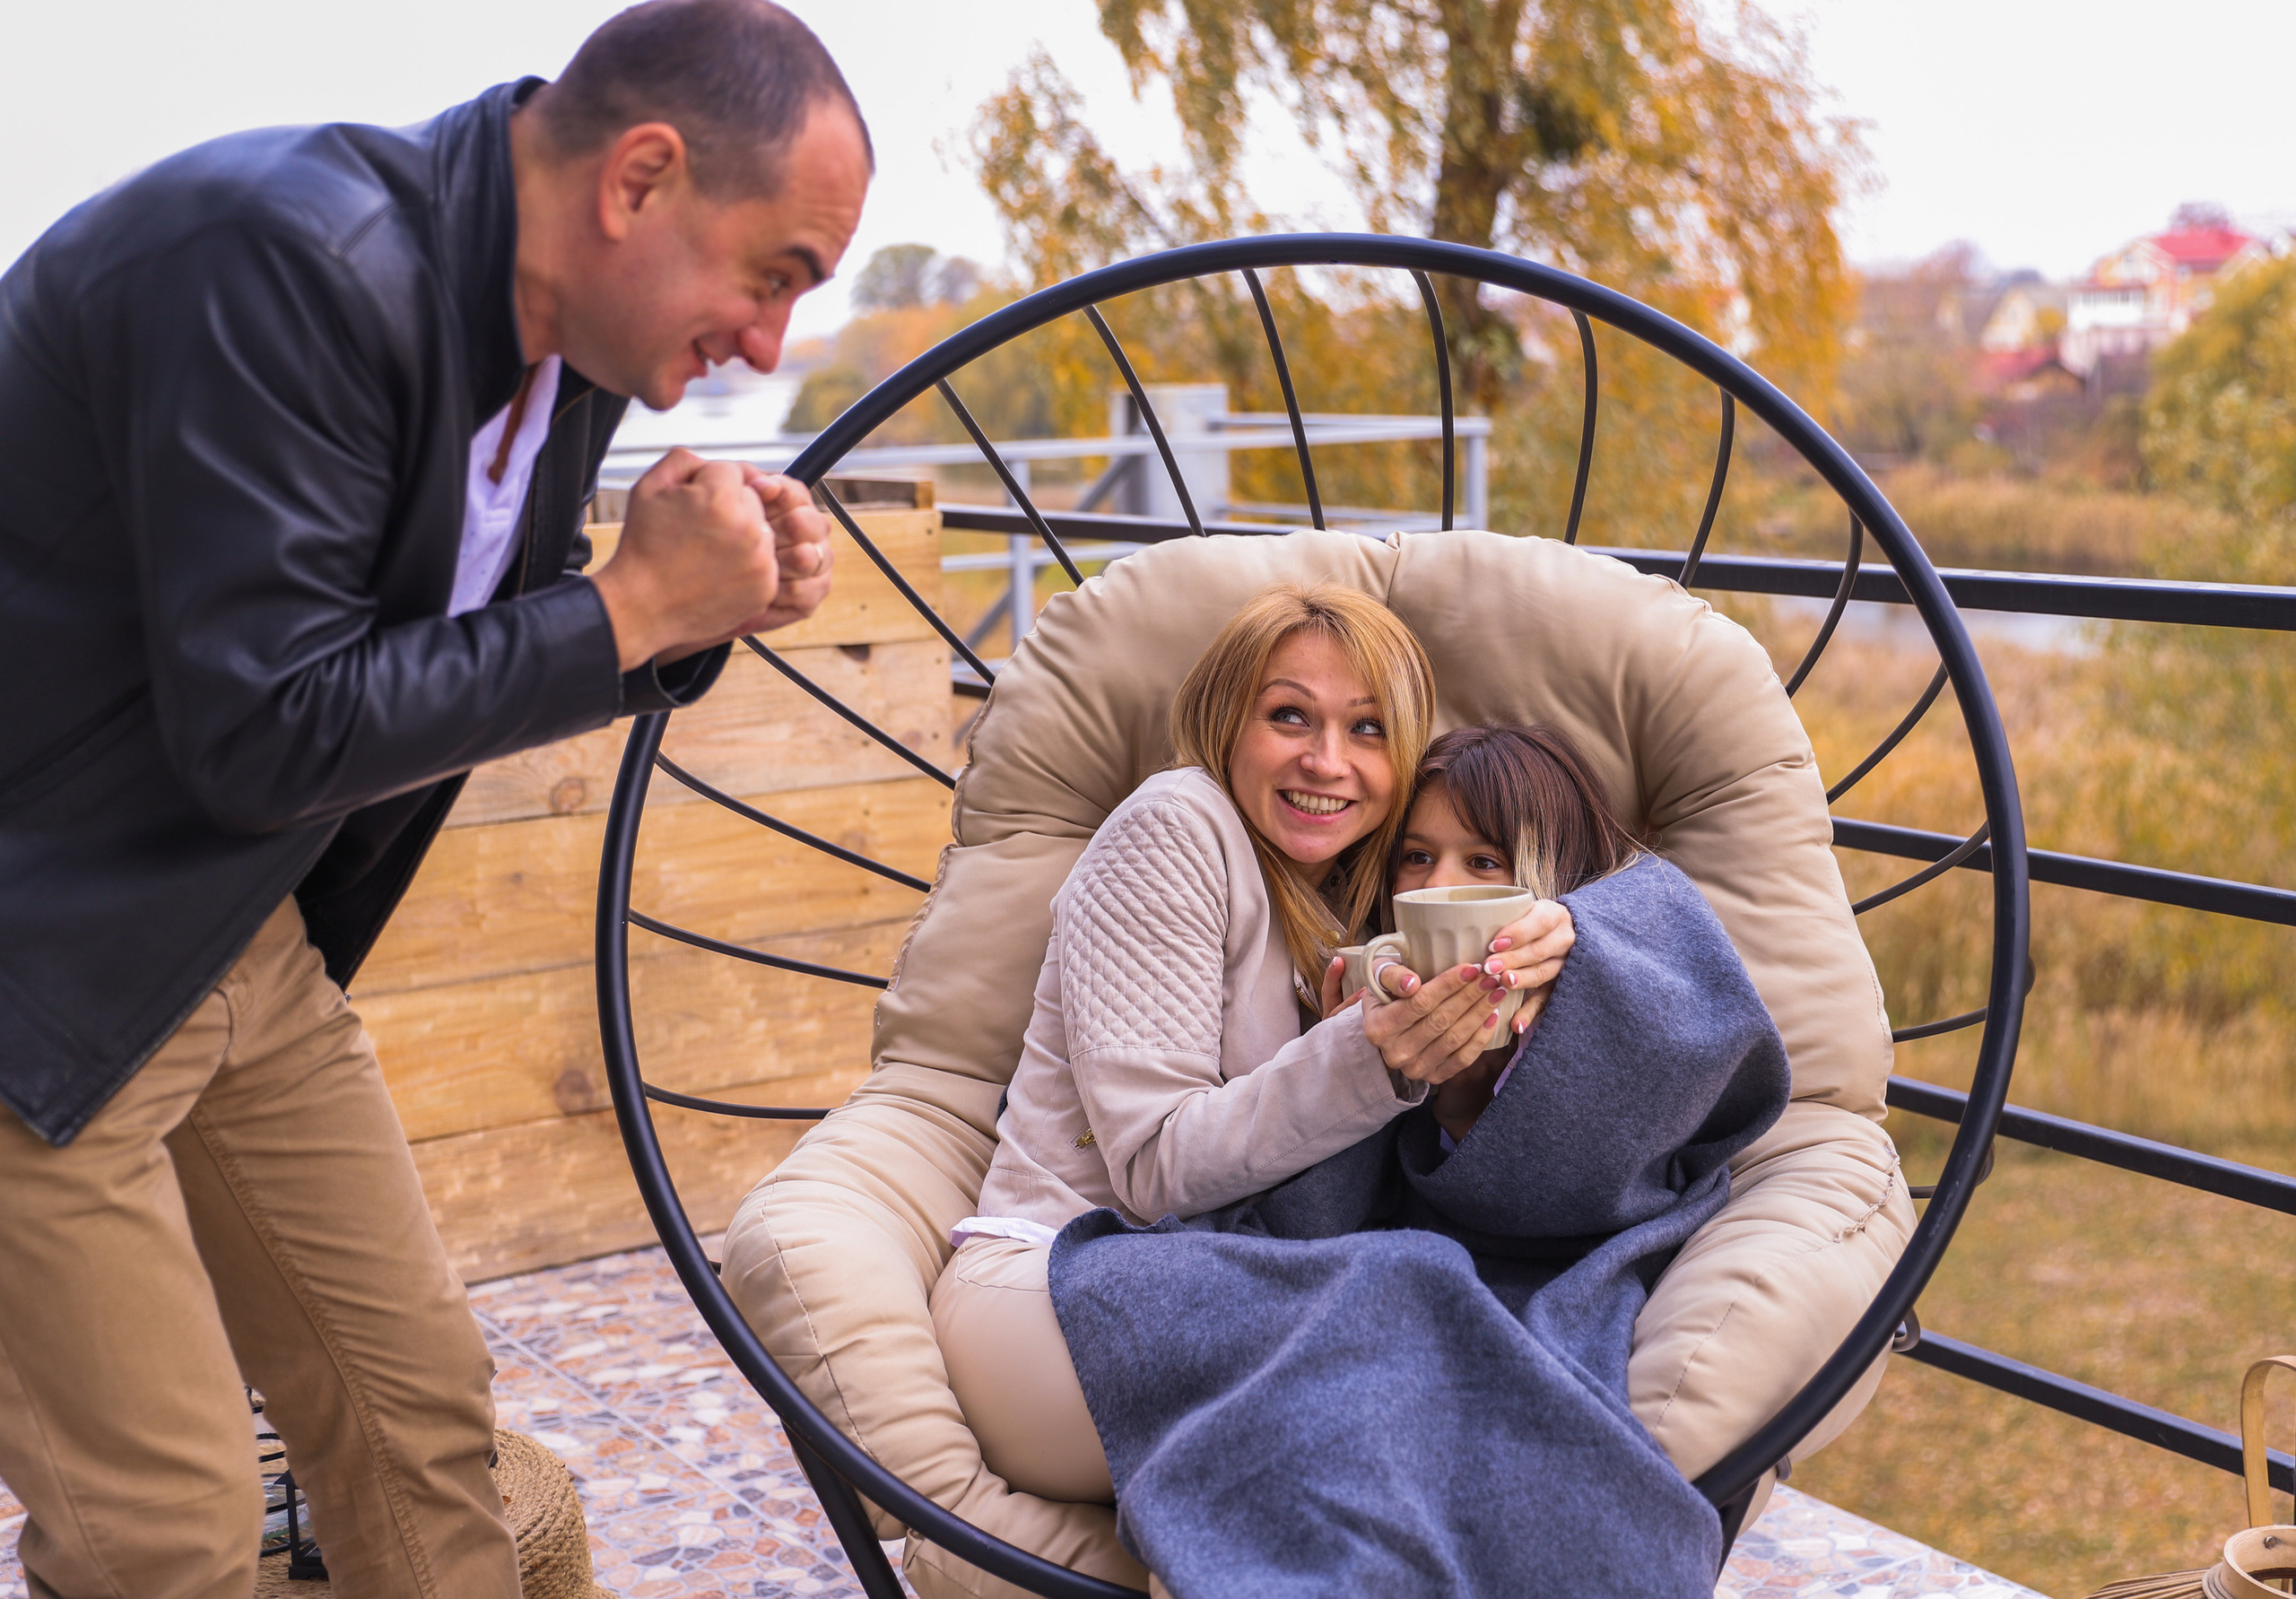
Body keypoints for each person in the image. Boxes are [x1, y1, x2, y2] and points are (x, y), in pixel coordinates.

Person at [0, 4, 870, 1595]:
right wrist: (626, 611)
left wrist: (674, 620)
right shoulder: (281, 262)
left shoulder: (557, 350)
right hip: (33, 965)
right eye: (776, 273)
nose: (768, 343)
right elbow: (266, 726)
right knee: (167, 1532)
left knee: (420, 1426)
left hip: (223, 927)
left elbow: (444, 652)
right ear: (643, 177)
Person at [924, 584, 1579, 1504]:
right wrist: (1370, 1054)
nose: (1327, 761)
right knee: (1419, 1317)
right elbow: (1153, 1164)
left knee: (1491, 1363)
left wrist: (1561, 935)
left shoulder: (1360, 886)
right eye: (1288, 716)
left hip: (1203, 1286)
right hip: (1051, 1289)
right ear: (1227, 722)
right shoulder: (1174, 826)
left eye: (1367, 729)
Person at [1337, 721, 1646, 1146]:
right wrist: (1345, 1070)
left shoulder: (1608, 983)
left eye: (1483, 862)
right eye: (1418, 856)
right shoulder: (1376, 979)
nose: (1435, 886)